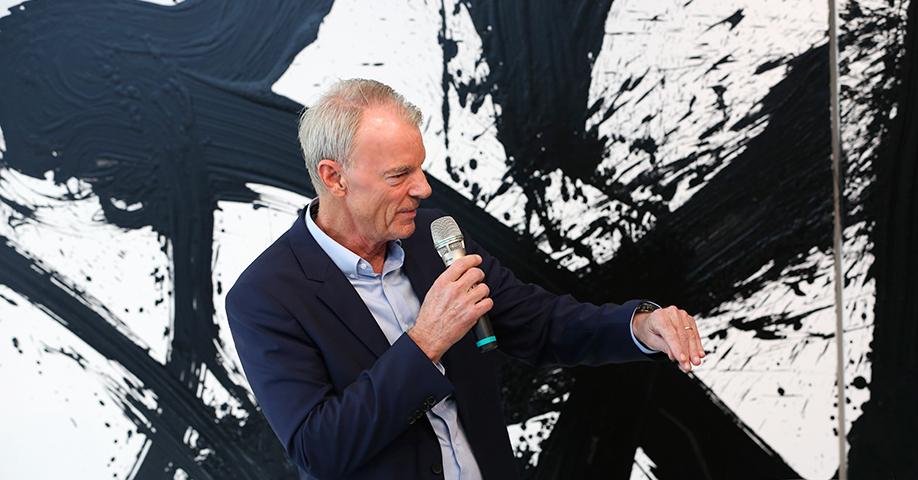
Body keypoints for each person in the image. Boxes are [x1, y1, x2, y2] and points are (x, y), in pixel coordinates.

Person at [225, 78, 706, 480]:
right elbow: (320, 449)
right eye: (399, 175)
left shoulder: (433, 237)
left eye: (420, 167)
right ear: (334, 178)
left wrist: (639, 326)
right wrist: (425, 343)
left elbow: (539, 323)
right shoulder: (265, 296)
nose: (423, 188)